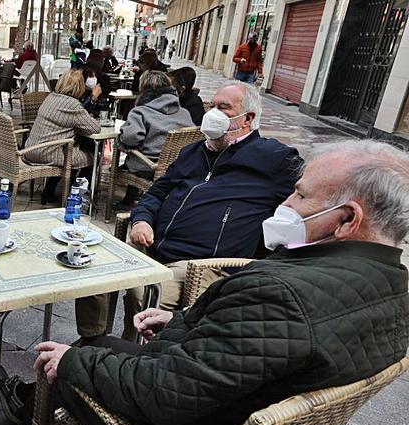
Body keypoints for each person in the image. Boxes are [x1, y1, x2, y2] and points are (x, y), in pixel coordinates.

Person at [21, 139, 409, 425]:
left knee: (68, 360)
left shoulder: (280, 297)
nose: (286, 203)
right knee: (101, 344)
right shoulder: (395, 287)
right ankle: (28, 397)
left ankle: (24, 407)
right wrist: (187, 324)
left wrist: (72, 362)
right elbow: (273, 348)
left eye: (300, 194)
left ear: (346, 219)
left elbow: (163, 393)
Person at [77, 82, 302, 342]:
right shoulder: (193, 152)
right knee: (89, 266)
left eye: (223, 108)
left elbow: (298, 214)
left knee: (143, 294)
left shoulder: (275, 159)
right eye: (212, 106)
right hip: (151, 247)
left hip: (200, 264)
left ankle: (132, 357)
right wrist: (142, 220)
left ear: (247, 119)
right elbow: (156, 192)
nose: (212, 114)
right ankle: (93, 341)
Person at [116, 70, 194, 207]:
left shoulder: (140, 112)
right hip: (177, 166)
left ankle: (124, 201)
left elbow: (130, 138)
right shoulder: (184, 113)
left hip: (147, 167)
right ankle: (130, 200)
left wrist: (120, 138)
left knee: (128, 157)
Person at [24, 70, 101, 204]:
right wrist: (93, 100)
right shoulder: (73, 105)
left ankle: (49, 191)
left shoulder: (51, 97)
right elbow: (94, 128)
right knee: (92, 156)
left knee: (68, 150)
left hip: (30, 150)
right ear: (79, 87)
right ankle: (76, 194)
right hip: (48, 154)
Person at [82, 49, 111, 116]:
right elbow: (106, 92)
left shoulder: (81, 73)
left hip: (81, 104)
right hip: (97, 108)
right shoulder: (104, 77)